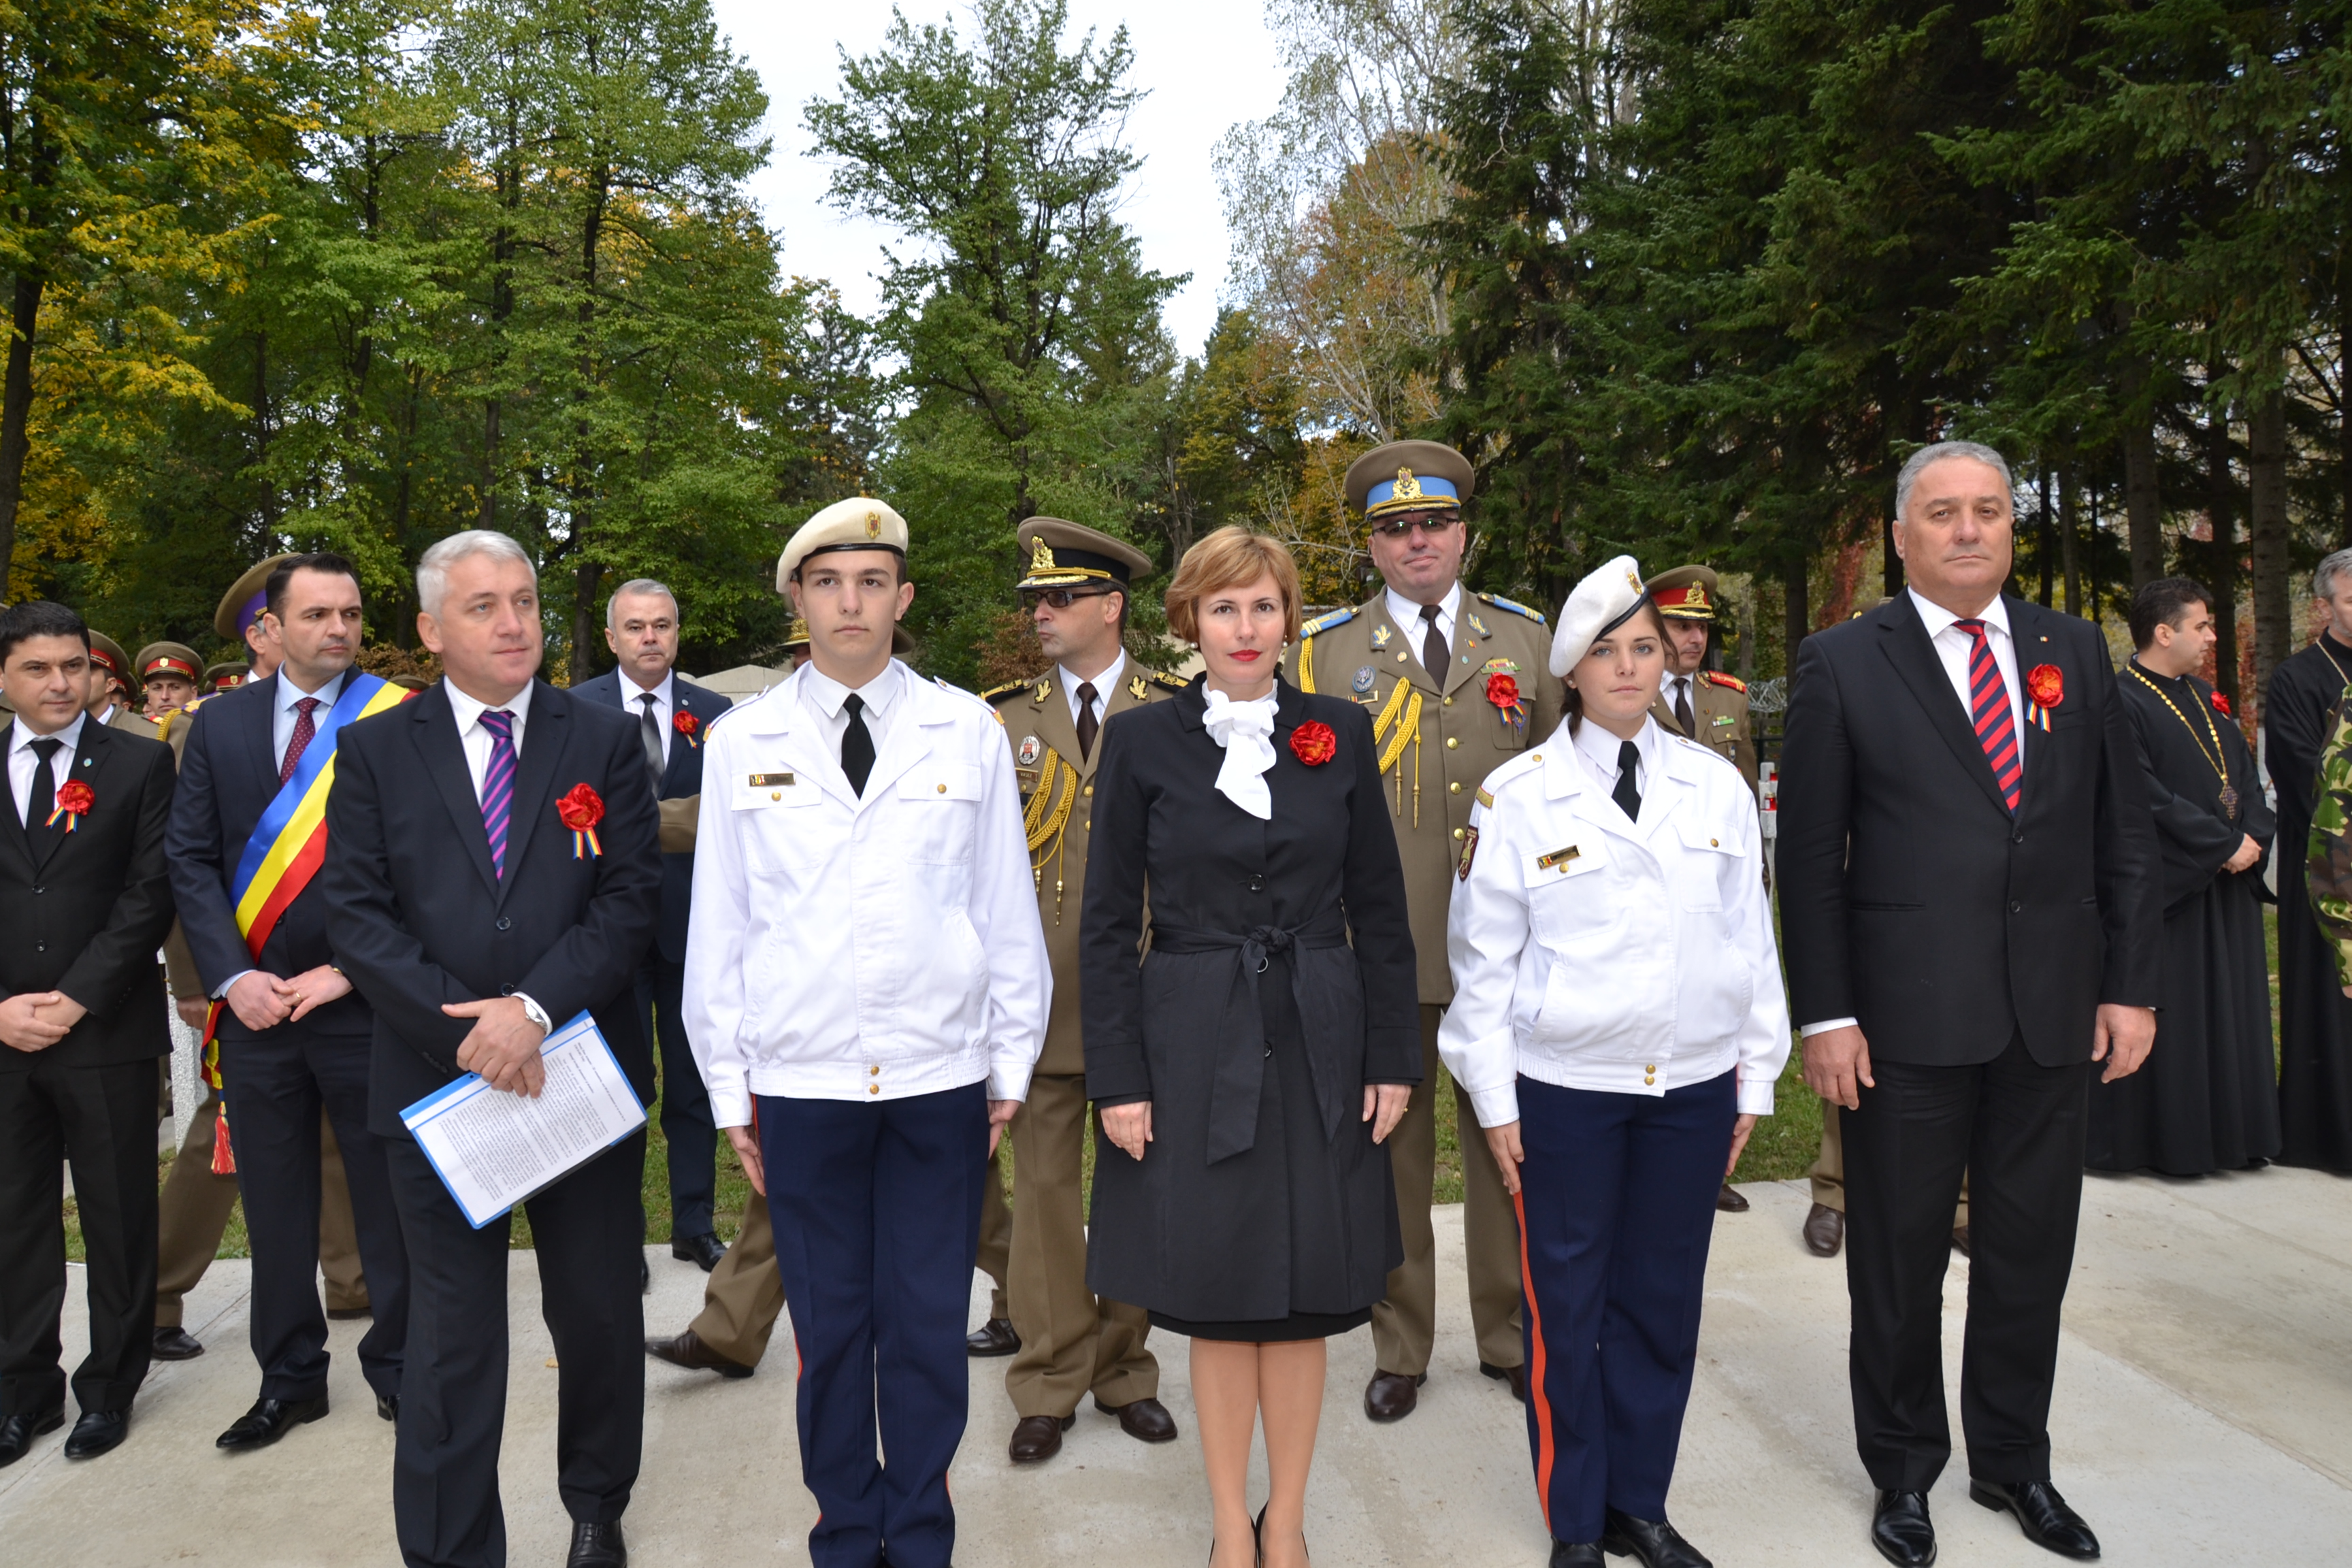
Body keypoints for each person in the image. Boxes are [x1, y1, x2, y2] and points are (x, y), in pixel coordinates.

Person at [1778, 440, 2160, 1567]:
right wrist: (1827, 1014)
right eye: (1941, 513)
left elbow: (2119, 834)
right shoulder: (1842, 662)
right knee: (1895, 1259)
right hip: (1902, 1022)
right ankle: (1903, 1470)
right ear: (1901, 535)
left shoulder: (2073, 649)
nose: (1967, 530)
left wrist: (2128, 986)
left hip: (2049, 1016)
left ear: (2010, 527)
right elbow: (1807, 864)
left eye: (1988, 510)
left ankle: (2013, 1460)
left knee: (2029, 1250)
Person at [685, 497, 1048, 1568]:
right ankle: (847, 1530)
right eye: (829, 582)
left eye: (873, 581)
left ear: (905, 598)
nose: (852, 602)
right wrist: (727, 1088)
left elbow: (1002, 910)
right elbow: (722, 926)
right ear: (798, 599)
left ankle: (921, 1530)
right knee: (833, 1330)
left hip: (940, 1078)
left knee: (928, 1327)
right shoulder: (743, 739)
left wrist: (1009, 1067)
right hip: (803, 1083)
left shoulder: (965, 729)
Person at [323, 528, 662, 1568]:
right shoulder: (379, 748)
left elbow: (629, 896)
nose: (514, 622)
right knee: (449, 1338)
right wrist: (463, 1032)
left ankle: (598, 1505)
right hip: (438, 1088)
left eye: (525, 600)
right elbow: (355, 912)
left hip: (574, 1075)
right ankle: (452, 1547)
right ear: (430, 630)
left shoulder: (600, 738)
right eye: (484, 606)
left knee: (598, 1312)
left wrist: (532, 1010)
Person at [1444, 557, 1788, 1568]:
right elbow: (1484, 968)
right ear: (1573, 670)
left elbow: (1748, 944)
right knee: (1568, 1309)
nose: (1632, 668)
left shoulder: (1715, 786)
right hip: (1569, 1094)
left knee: (1662, 1303)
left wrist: (1754, 1077)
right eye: (1608, 651)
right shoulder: (1519, 796)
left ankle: (1643, 1503)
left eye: (1645, 648)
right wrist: (1497, 1103)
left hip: (1688, 1088)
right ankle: (1578, 1521)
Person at [1085, 526, 1419, 1568]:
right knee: (1222, 1293)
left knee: (1309, 1293)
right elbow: (1104, 925)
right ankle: (1232, 1521)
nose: (1245, 627)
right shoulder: (1141, 743)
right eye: (1224, 607)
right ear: (1190, 619)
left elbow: (1381, 906)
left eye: (1265, 606)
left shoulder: (1342, 729)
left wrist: (1392, 1056)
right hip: (1191, 1035)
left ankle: (1289, 1520)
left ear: (1290, 620)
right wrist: (1121, 1077)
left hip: (1322, 1029)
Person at [1282, 439, 1557, 1420]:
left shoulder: (1526, 643)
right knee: (1391, 1154)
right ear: (1372, 548)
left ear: (1463, 533)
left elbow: (1557, 790)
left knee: (1506, 1148)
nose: (1417, 542)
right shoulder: (1322, 654)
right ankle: (1400, 1343)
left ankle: (1510, 1336)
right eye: (1395, 530)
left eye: (1433, 523)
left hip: (1504, 953)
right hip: (1378, 951)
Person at [167, 553, 414, 1451]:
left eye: (350, 613)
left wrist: (349, 968)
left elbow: (425, 864)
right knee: (275, 1208)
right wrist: (233, 979)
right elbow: (188, 857)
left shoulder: (400, 719)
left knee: (387, 1203)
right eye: (316, 615)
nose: (338, 629)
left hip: (363, 1004)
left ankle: (399, 1369)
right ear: (272, 627)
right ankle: (289, 1380)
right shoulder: (218, 725)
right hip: (260, 1012)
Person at [977, 517, 1186, 1463]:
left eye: (1061, 598)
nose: (1042, 614)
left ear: (1113, 605)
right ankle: (1050, 1377)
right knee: (1049, 1196)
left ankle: (1124, 1369)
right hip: (1040, 1000)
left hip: (1153, 997)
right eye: (1034, 600)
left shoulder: (1179, 710)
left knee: (1143, 1196)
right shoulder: (1000, 721)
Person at [0, 602, 180, 1467]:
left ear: (97, 672)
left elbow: (150, 893)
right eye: (38, 669)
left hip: (104, 1031)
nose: (60, 683)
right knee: (13, 1221)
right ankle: (22, 1390)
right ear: (5, 677)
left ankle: (108, 1387)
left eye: (73, 666)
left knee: (118, 1217)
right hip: (1, 1038)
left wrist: (71, 1000)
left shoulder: (141, 765)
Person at [2091, 578, 2278, 1175]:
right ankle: (2173, 1144)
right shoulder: (2120, 699)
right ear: (2164, 632)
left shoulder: (2205, 696)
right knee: (2182, 1023)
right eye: (2202, 625)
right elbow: (2141, 793)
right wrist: (2221, 844)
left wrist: (2252, 836)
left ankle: (2233, 1137)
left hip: (2225, 883)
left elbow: (2243, 777)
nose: (2212, 636)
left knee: (2232, 1016)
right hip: (2171, 887)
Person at [573, 578, 732, 1271]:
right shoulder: (573, 712)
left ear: (677, 633)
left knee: (694, 1087)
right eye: (635, 627)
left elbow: (728, 824)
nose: (649, 639)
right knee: (620, 1086)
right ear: (611, 638)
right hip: (607, 932)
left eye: (661, 625)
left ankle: (695, 1222)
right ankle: (622, 1233)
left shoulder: (718, 715)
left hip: (695, 928)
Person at [1642, 564, 1761, 1221]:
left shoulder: (1728, 699)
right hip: (1650, 882)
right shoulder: (1627, 690)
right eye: (1680, 626)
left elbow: (1742, 791)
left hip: (1713, 884)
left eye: (1701, 628)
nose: (1693, 639)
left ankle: (1710, 1163)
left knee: (1714, 1023)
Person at [2263, 548, 2352, 1172]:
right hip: (2330, 868)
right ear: (2323, 606)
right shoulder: (2298, 678)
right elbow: (2299, 774)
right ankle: (2332, 1135)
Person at [135, 641, 202, 718]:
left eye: (175, 687)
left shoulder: (209, 729)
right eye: (157, 688)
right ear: (148, 696)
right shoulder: (134, 730)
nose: (164, 696)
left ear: (193, 693)